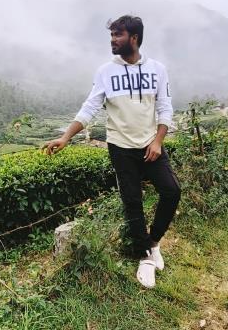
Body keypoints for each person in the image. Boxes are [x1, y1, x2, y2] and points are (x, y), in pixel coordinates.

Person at [43, 15, 181, 288]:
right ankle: (144, 256)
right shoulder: (105, 72)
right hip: (120, 147)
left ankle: (154, 242)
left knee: (172, 191)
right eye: (111, 35)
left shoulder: (157, 70)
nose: (113, 40)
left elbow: (165, 108)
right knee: (132, 201)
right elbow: (90, 107)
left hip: (150, 144)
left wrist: (157, 142)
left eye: (118, 35)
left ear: (134, 38)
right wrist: (66, 137)